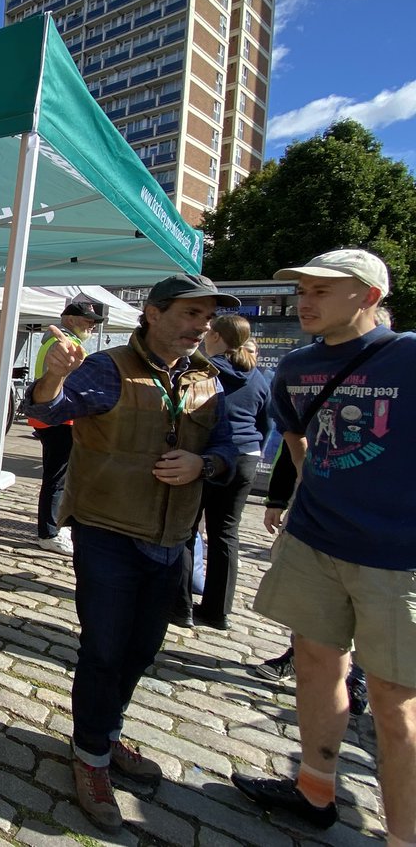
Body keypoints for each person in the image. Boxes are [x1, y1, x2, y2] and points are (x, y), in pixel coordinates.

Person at [24, 272, 240, 834]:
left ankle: (105, 735)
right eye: (192, 314)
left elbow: (228, 447)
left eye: (208, 317)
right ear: (153, 312)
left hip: (172, 538)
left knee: (142, 651)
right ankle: (91, 756)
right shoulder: (107, 367)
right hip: (107, 531)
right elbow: (46, 415)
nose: (202, 326)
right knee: (104, 650)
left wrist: (205, 465)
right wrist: (51, 379)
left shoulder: (207, 378)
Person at [233, 251, 413, 841]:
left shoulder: (409, 356)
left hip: (397, 555)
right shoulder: (298, 367)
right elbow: (296, 439)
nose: (304, 301)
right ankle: (314, 790)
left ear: (367, 296)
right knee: (314, 666)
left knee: (395, 700)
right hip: (315, 543)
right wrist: (307, 502)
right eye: (303, 290)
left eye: (322, 291)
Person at [184, 314, 271, 630]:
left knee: (187, 529)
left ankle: (179, 605)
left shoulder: (204, 371)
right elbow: (265, 424)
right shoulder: (259, 376)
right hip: (246, 457)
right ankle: (218, 611)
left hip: (206, 457)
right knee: (225, 534)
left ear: (217, 337)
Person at [28, 298, 105, 555]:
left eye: (94, 322)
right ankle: (48, 532)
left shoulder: (64, 342)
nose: (92, 325)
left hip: (56, 416)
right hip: (57, 417)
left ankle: (56, 526)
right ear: (69, 319)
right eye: (88, 320)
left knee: (61, 474)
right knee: (57, 476)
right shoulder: (63, 343)